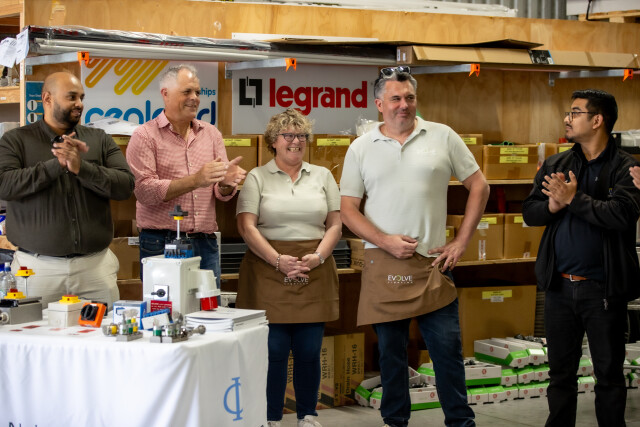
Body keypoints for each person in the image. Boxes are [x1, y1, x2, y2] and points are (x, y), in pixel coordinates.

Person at [340, 67, 488, 427]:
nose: (403, 105)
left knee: (447, 351)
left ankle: (460, 422)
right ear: (379, 104)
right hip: (383, 263)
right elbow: (348, 209)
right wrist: (385, 241)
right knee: (391, 356)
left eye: (409, 97)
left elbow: (479, 186)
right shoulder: (361, 148)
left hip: (433, 265)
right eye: (395, 98)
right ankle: (396, 422)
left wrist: (461, 241)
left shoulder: (443, 135)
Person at [523, 89, 640, 427]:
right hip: (559, 288)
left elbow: (621, 215)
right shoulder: (557, 164)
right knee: (560, 375)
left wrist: (573, 199)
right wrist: (551, 206)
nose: (567, 118)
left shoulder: (627, 168)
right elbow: (530, 212)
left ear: (597, 119)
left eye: (575, 113)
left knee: (608, 375)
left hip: (603, 290)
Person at [236, 108, 341, 427]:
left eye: (301, 135)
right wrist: (277, 260)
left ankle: (307, 415)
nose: (296, 141)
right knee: (274, 351)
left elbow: (335, 224)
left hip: (314, 268)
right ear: (273, 141)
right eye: (288, 135)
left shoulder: (323, 176)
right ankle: (271, 418)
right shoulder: (256, 177)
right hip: (267, 269)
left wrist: (318, 257)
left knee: (309, 350)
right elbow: (246, 226)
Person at [0, 71, 135, 307]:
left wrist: (82, 168)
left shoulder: (100, 139)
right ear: (47, 98)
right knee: (33, 330)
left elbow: (126, 186)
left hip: (95, 268)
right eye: (71, 97)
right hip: (36, 270)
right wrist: (56, 166)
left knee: (103, 330)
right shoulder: (15, 140)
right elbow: (4, 185)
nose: (79, 103)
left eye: (81, 97)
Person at [126, 64, 246, 286]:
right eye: (187, 92)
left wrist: (226, 184)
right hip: (160, 242)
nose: (195, 98)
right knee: (164, 305)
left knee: (208, 305)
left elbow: (219, 192)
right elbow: (144, 191)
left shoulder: (211, 134)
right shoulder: (144, 136)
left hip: (205, 242)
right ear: (165, 94)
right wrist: (196, 180)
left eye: (197, 92)